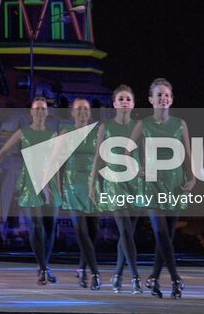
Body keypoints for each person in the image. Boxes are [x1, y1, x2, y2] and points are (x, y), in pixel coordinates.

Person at [0, 95, 59, 286]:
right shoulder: (23, 132)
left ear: (47, 112)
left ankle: (45, 266)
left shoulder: (53, 135)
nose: (40, 112)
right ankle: (43, 267)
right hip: (30, 184)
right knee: (35, 226)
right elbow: (3, 151)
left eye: (43, 109)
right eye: (36, 109)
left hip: (50, 183)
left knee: (49, 227)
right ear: (30, 112)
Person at [135, 77, 194, 298]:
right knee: (160, 231)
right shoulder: (143, 124)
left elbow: (187, 154)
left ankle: (153, 277)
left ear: (171, 99)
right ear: (151, 99)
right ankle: (176, 278)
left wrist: (192, 178)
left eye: (166, 95)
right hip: (151, 183)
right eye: (159, 95)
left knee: (166, 235)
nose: (163, 98)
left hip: (176, 183)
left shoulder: (180, 124)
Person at [89, 86, 143, 293]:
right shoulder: (106, 127)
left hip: (136, 184)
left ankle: (118, 275)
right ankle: (135, 277)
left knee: (127, 234)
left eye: (128, 99)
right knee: (125, 230)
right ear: (114, 103)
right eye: (120, 99)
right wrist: (93, 183)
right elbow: (98, 157)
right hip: (115, 184)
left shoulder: (140, 126)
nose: (124, 102)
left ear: (133, 103)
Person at [60, 97, 102, 290]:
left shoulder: (98, 133)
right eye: (79, 109)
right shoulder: (66, 133)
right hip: (72, 185)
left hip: (93, 186)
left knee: (93, 232)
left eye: (86, 109)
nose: (83, 112)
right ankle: (95, 273)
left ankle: (82, 268)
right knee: (81, 231)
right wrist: (58, 189)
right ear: (72, 112)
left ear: (90, 112)